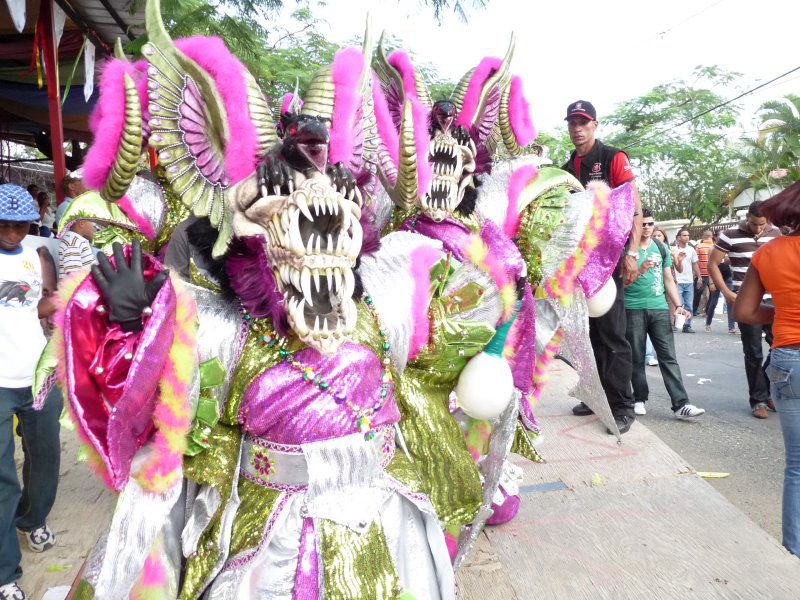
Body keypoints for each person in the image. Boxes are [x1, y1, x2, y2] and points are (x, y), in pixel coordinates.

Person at [562, 100, 642, 434]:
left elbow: (634, 206)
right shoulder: (568, 167)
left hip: (609, 262)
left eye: (583, 122)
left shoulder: (613, 158)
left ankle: (623, 405)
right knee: (589, 335)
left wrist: (633, 251)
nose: (577, 128)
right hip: (581, 266)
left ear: (595, 125)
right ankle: (598, 397)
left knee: (613, 335)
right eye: (572, 123)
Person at [0, 184, 62, 600]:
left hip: (38, 375)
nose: (12, 233)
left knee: (45, 458)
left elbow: (33, 306)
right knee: (2, 477)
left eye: (20, 225)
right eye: (4, 225)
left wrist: (64, 302)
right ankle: (6, 573)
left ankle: (32, 519)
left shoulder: (36, 254)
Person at [733, 181, 800, 555]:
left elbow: (743, 312)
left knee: (797, 468)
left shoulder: (769, 252)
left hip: (788, 357)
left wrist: (783, 314)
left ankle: (793, 555)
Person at [624, 208, 705, 419]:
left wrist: (678, 305)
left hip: (659, 307)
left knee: (668, 357)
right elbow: (620, 282)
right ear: (635, 225)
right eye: (643, 223)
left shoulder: (660, 247)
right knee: (637, 356)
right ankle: (639, 398)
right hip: (632, 307)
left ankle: (681, 404)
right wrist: (639, 269)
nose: (647, 227)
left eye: (650, 223)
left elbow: (668, 279)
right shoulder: (626, 249)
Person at [710, 200, 781, 418]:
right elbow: (712, 264)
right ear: (747, 218)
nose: (757, 229)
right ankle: (758, 400)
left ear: (767, 220)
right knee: (753, 353)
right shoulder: (730, 234)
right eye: (753, 224)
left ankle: (767, 389)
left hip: (774, 301)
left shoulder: (776, 233)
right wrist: (726, 292)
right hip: (747, 302)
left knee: (779, 349)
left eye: (761, 224)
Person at [672, 228, 700, 333]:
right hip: (677, 281)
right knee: (679, 303)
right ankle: (676, 323)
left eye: (688, 235)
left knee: (689, 305)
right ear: (678, 237)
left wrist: (699, 277)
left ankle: (687, 325)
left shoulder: (691, 250)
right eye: (684, 235)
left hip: (689, 281)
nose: (687, 237)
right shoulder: (674, 250)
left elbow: (695, 264)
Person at [693, 229, 714, 316]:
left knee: (697, 293)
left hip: (701, 274)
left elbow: (695, 261)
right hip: (713, 275)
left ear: (703, 237)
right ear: (711, 237)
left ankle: (694, 310)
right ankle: (708, 310)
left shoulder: (699, 246)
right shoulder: (715, 246)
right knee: (713, 294)